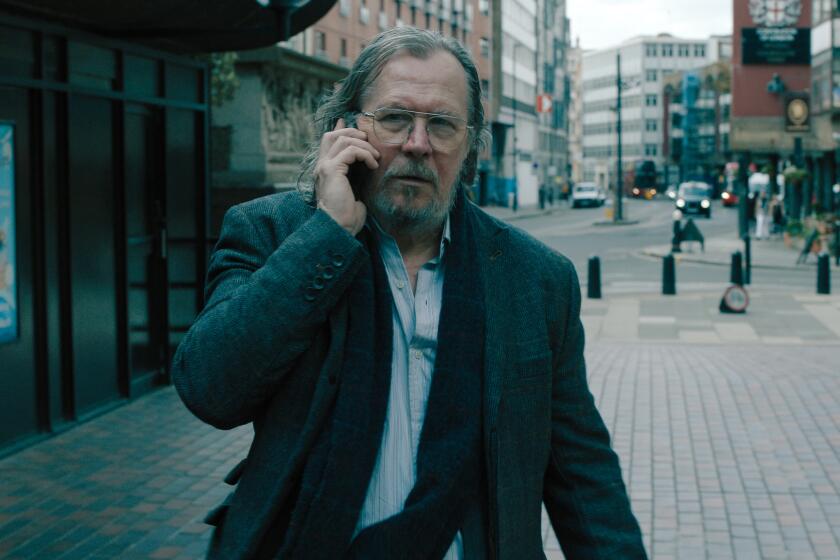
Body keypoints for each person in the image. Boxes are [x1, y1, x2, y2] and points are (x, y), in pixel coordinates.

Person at [172, 27, 646, 560]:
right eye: (395, 118)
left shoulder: (536, 278)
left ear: (469, 147)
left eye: (441, 125)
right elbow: (211, 389)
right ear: (345, 129)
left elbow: (581, 472)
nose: (417, 143)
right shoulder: (272, 234)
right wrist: (326, 235)